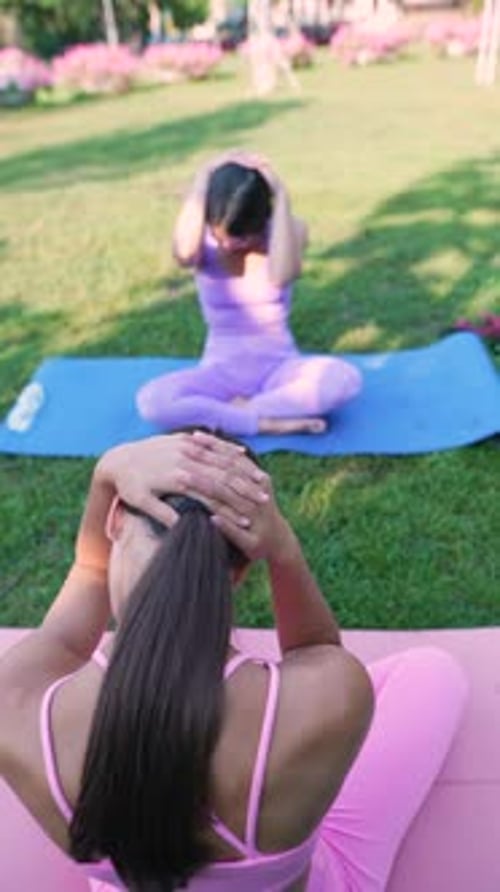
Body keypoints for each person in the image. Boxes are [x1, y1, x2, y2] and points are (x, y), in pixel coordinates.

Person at [0, 429, 467, 891]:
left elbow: (78, 596)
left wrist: (107, 472)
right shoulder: (326, 702)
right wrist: (284, 550)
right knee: (433, 671)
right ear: (242, 569)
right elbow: (316, 654)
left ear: (115, 522)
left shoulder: (15, 707)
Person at [136, 151, 363, 437]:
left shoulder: (288, 232)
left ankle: (235, 413)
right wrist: (203, 179)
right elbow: (183, 254)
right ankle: (263, 422)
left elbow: (282, 275)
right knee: (153, 402)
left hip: (280, 369)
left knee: (344, 380)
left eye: (241, 237)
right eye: (220, 235)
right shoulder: (201, 240)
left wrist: (281, 196)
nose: (229, 245)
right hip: (219, 373)